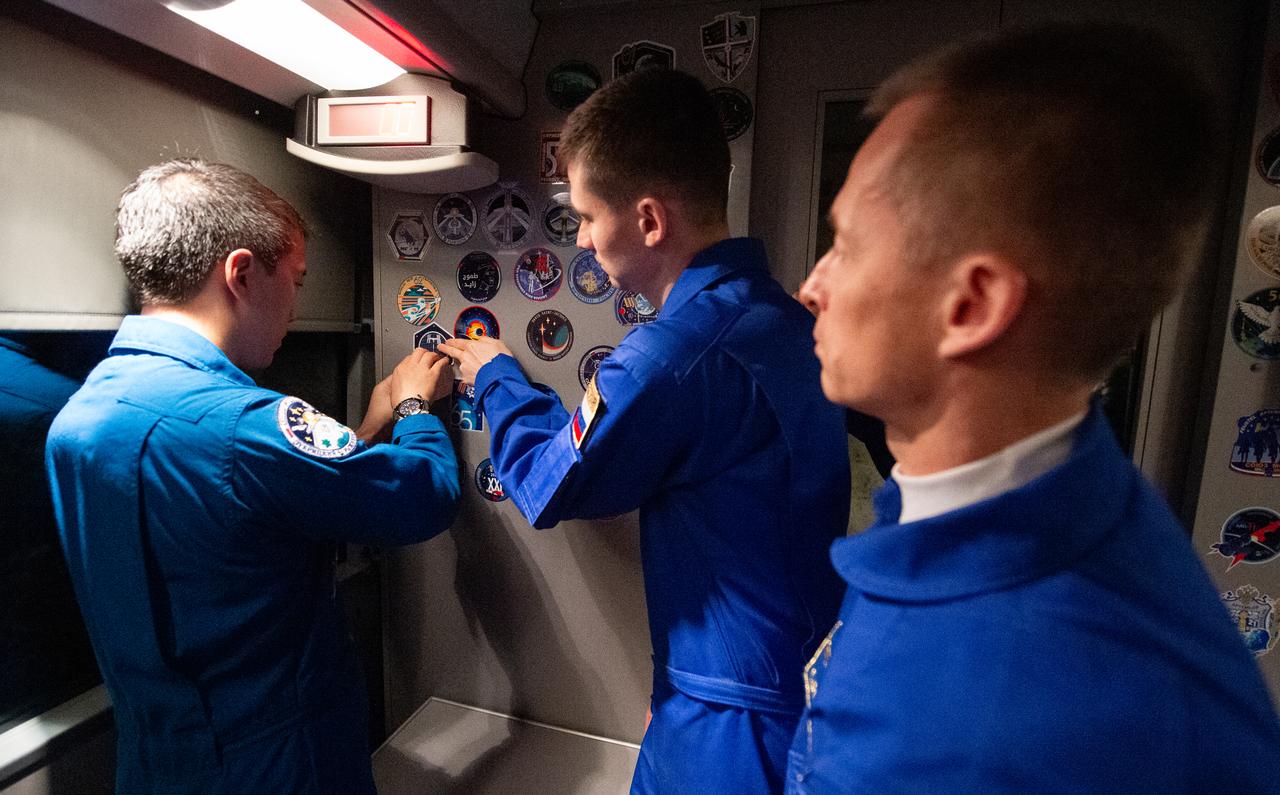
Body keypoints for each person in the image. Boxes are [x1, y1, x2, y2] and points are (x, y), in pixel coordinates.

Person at [789, 23, 1280, 792]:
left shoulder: (1019, 731)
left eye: (846, 245)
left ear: (972, 304)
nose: (811, 286)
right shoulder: (977, 505)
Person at [440, 68, 850, 793]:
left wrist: (498, 376)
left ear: (650, 220)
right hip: (791, 689)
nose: (586, 242)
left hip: (729, 721)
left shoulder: (676, 354)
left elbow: (546, 483)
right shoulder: (789, 323)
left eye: (589, 217)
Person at [45, 159, 460, 794]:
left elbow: (237, 526)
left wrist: (360, 435)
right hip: (278, 764)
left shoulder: (78, 417)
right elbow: (422, 499)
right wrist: (411, 407)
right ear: (239, 273)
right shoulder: (246, 426)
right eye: (293, 280)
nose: (296, 306)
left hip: (155, 764)